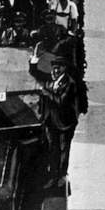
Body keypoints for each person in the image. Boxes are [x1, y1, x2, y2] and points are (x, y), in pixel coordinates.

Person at [38, 56, 79, 188]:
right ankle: (53, 176)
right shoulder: (51, 81)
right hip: (50, 121)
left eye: (58, 69)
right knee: (52, 149)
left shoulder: (70, 84)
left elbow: (61, 101)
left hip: (64, 123)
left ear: (64, 69)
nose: (55, 71)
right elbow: (35, 73)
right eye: (53, 68)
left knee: (63, 150)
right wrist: (34, 60)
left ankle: (62, 176)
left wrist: (46, 93)